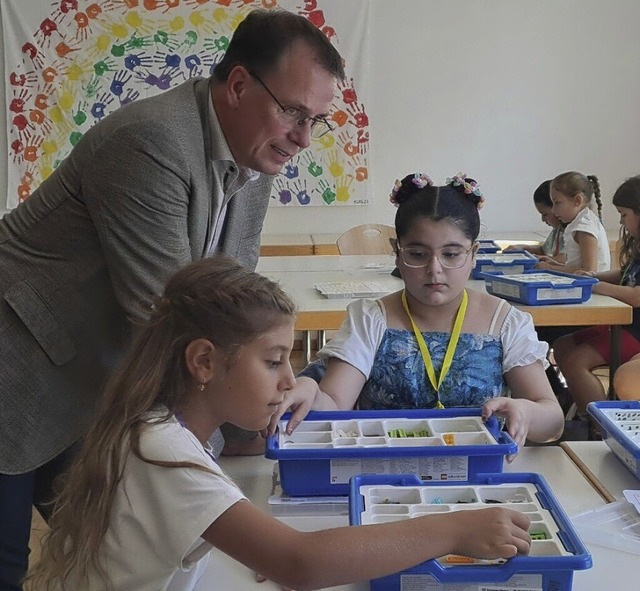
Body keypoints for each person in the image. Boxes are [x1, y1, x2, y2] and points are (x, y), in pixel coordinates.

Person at [0, 9, 344, 590]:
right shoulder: (151, 140)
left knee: (101, 555)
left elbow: (232, 312)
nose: (303, 139)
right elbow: (171, 327)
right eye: (292, 112)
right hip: (20, 370)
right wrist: (227, 439)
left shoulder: (254, 163)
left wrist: (252, 410)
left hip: (94, 378)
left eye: (317, 121)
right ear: (237, 85)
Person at [24, 256, 531, 591]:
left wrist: (263, 550)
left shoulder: (163, 428)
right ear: (203, 362)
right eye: (273, 362)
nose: (291, 380)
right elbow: (300, 563)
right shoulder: (163, 450)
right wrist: (453, 528)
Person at [268, 173, 564, 455]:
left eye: (451, 254)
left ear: (473, 254)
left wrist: (526, 411)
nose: (434, 269)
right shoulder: (372, 319)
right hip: (383, 471)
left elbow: (553, 421)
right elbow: (335, 404)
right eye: (418, 254)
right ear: (397, 252)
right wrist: (311, 390)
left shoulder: (505, 322)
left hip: (479, 470)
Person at [553, 175, 640, 415]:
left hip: (636, 330)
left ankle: (602, 428)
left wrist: (597, 286)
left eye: (624, 214)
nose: (621, 221)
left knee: (575, 361)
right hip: (623, 324)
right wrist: (594, 276)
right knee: (562, 345)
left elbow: (636, 296)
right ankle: (581, 407)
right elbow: (625, 275)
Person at [536, 171, 610, 273]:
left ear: (577, 201)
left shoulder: (584, 228)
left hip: (592, 287)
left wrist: (551, 269)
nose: (553, 209)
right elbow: (575, 266)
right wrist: (553, 263)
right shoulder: (578, 222)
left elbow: (589, 271)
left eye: (557, 203)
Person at [504, 180, 566, 264]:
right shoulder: (557, 230)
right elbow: (543, 250)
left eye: (545, 214)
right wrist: (523, 248)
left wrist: (535, 258)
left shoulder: (574, 232)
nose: (543, 219)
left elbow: (561, 260)